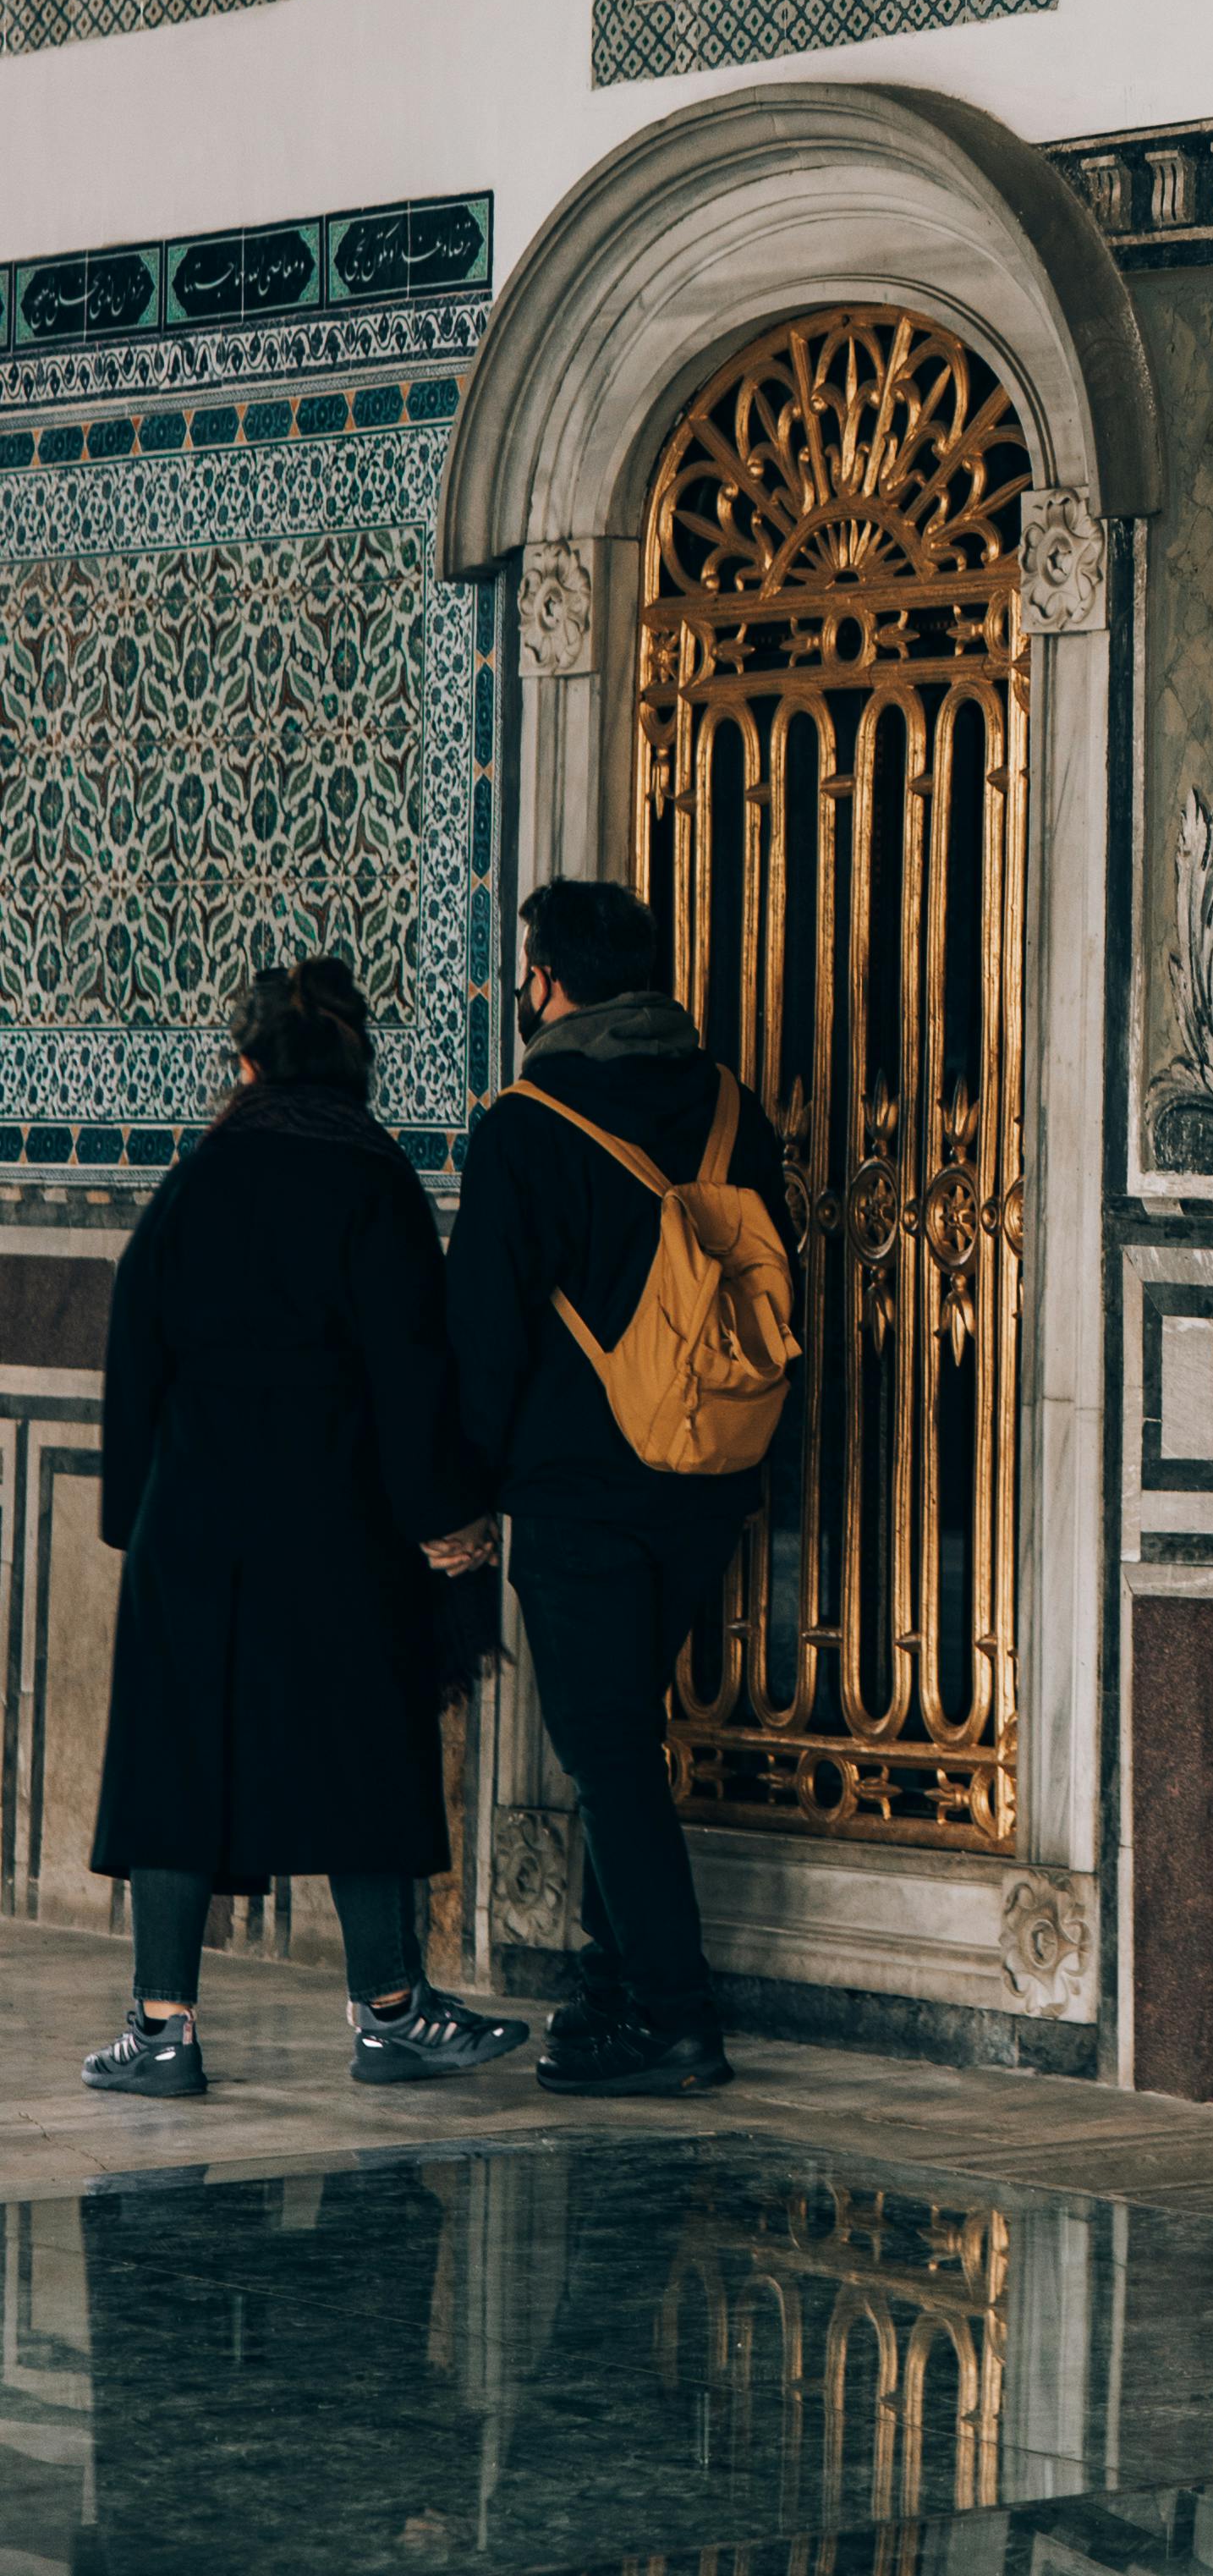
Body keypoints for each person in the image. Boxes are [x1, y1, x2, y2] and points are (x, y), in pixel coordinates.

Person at [85, 959, 532, 2098]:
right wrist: (446, 1517)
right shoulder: (371, 1177)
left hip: (194, 1517)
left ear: (244, 1064)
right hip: (338, 1521)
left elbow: (135, 1347)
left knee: (179, 1762)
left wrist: (135, 1509)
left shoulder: (197, 1180)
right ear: (355, 1065)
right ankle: (389, 2012)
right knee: (367, 1750)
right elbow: (408, 1369)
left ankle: (161, 2030)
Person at [448, 879, 796, 2097]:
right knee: (624, 1739)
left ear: (551, 981)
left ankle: (673, 2012)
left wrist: (462, 1497)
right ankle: (609, 1986)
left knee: (606, 1752)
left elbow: (482, 1336)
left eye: (528, 967)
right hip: (705, 1480)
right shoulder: (730, 1108)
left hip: (580, 1498)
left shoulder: (525, 1122)